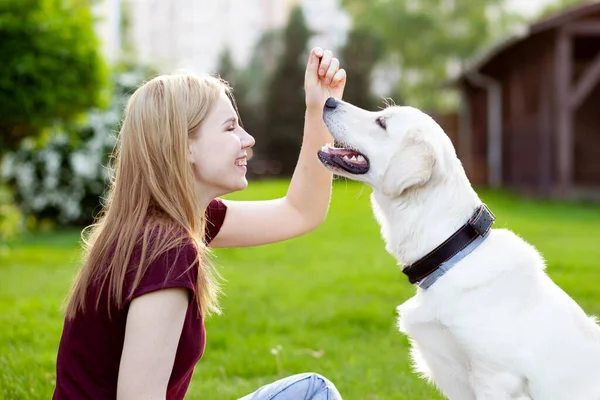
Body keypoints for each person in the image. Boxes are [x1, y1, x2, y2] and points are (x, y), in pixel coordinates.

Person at [52, 46, 346, 400]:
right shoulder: (165, 250)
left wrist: (320, 110)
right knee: (314, 394)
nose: (247, 140)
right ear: (184, 146)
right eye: (230, 127)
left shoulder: (167, 223)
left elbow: (301, 211)